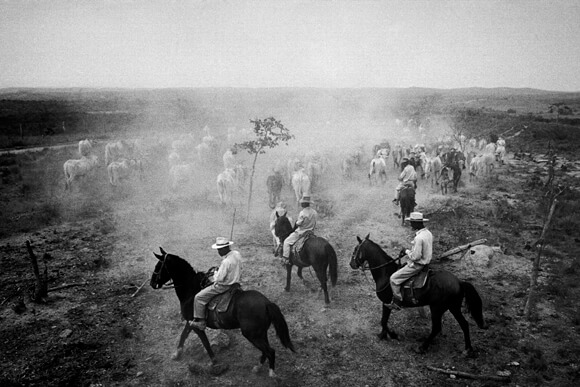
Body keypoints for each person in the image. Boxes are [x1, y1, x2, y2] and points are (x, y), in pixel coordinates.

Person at [190, 237, 242, 330]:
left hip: (223, 286)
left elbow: (219, 279)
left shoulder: (226, 262)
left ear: (224, 249)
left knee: (199, 297)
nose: (218, 252)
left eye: (219, 250)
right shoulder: (236, 254)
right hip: (235, 283)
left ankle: (201, 322)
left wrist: (215, 273)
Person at [386, 212, 433, 310]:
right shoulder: (428, 233)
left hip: (417, 265)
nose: (410, 224)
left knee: (393, 279)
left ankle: (398, 302)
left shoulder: (418, 238)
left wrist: (406, 251)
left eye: (411, 222)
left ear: (416, 223)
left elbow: (416, 257)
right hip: (427, 262)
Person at [281, 196, 317, 265]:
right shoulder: (314, 212)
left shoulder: (302, 213)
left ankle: (286, 259)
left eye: (302, 203)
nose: (301, 204)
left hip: (301, 232)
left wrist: (296, 223)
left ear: (305, 204)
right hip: (311, 232)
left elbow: (298, 224)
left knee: (286, 242)